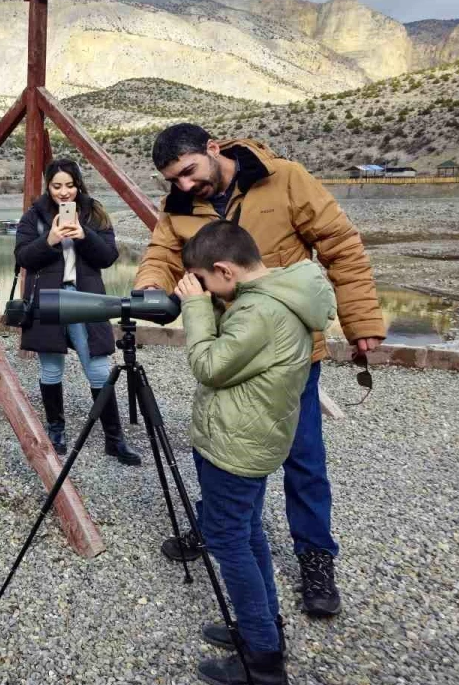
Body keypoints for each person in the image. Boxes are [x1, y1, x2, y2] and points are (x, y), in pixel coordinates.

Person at [135, 123, 385, 617]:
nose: (184, 186)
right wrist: (147, 287)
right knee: (220, 445)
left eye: (188, 172)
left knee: (303, 458)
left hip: (289, 354)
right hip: (229, 349)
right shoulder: (179, 204)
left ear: (213, 148)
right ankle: (218, 525)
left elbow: (340, 246)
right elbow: (162, 254)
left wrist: (361, 320)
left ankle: (315, 557)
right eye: (173, 180)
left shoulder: (286, 179)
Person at [174, 220, 336, 685]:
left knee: (228, 541)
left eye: (204, 280)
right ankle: (262, 627)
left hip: (236, 447)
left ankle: (263, 661)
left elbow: (209, 364)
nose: (202, 289)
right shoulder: (278, 294)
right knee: (247, 532)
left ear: (223, 270)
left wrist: (198, 308)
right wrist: (213, 299)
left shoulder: (257, 315)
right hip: (254, 438)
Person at [14, 157, 140, 465]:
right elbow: (23, 258)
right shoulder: (34, 216)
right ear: (48, 186)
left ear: (78, 184)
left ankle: (114, 439)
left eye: (69, 185)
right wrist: (51, 239)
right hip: (49, 299)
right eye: (57, 186)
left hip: (86, 298)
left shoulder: (94, 213)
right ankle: (56, 430)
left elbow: (108, 257)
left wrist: (85, 235)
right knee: (51, 369)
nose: (64, 192)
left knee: (97, 368)